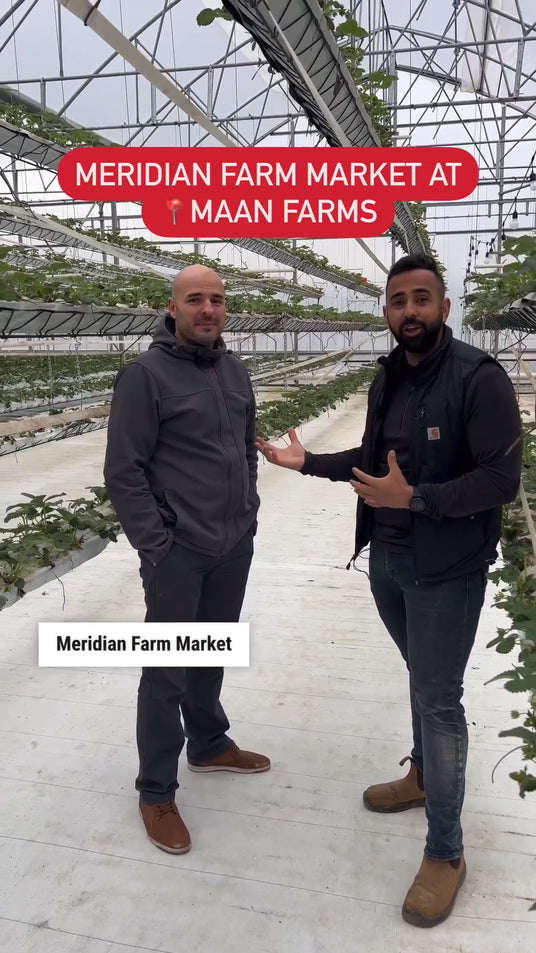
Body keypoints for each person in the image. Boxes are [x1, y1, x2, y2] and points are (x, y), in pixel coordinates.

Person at [256, 253, 522, 928]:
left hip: (447, 569)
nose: (409, 311)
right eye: (398, 300)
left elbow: (500, 480)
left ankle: (447, 851)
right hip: (388, 560)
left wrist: (422, 499)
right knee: (420, 677)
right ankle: (425, 777)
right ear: (387, 311)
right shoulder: (387, 379)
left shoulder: (478, 379)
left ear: (444, 307)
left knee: (439, 699)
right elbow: (372, 465)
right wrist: (306, 461)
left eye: (421, 299)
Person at [104, 264, 270, 855]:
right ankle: (155, 790)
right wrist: (158, 545)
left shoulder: (234, 370)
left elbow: (246, 448)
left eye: (217, 300)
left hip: (232, 544)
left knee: (213, 647)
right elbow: (123, 471)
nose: (207, 309)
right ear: (172, 308)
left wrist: (248, 508)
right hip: (180, 552)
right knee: (167, 670)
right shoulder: (145, 377)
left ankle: (208, 742)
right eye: (194, 299)